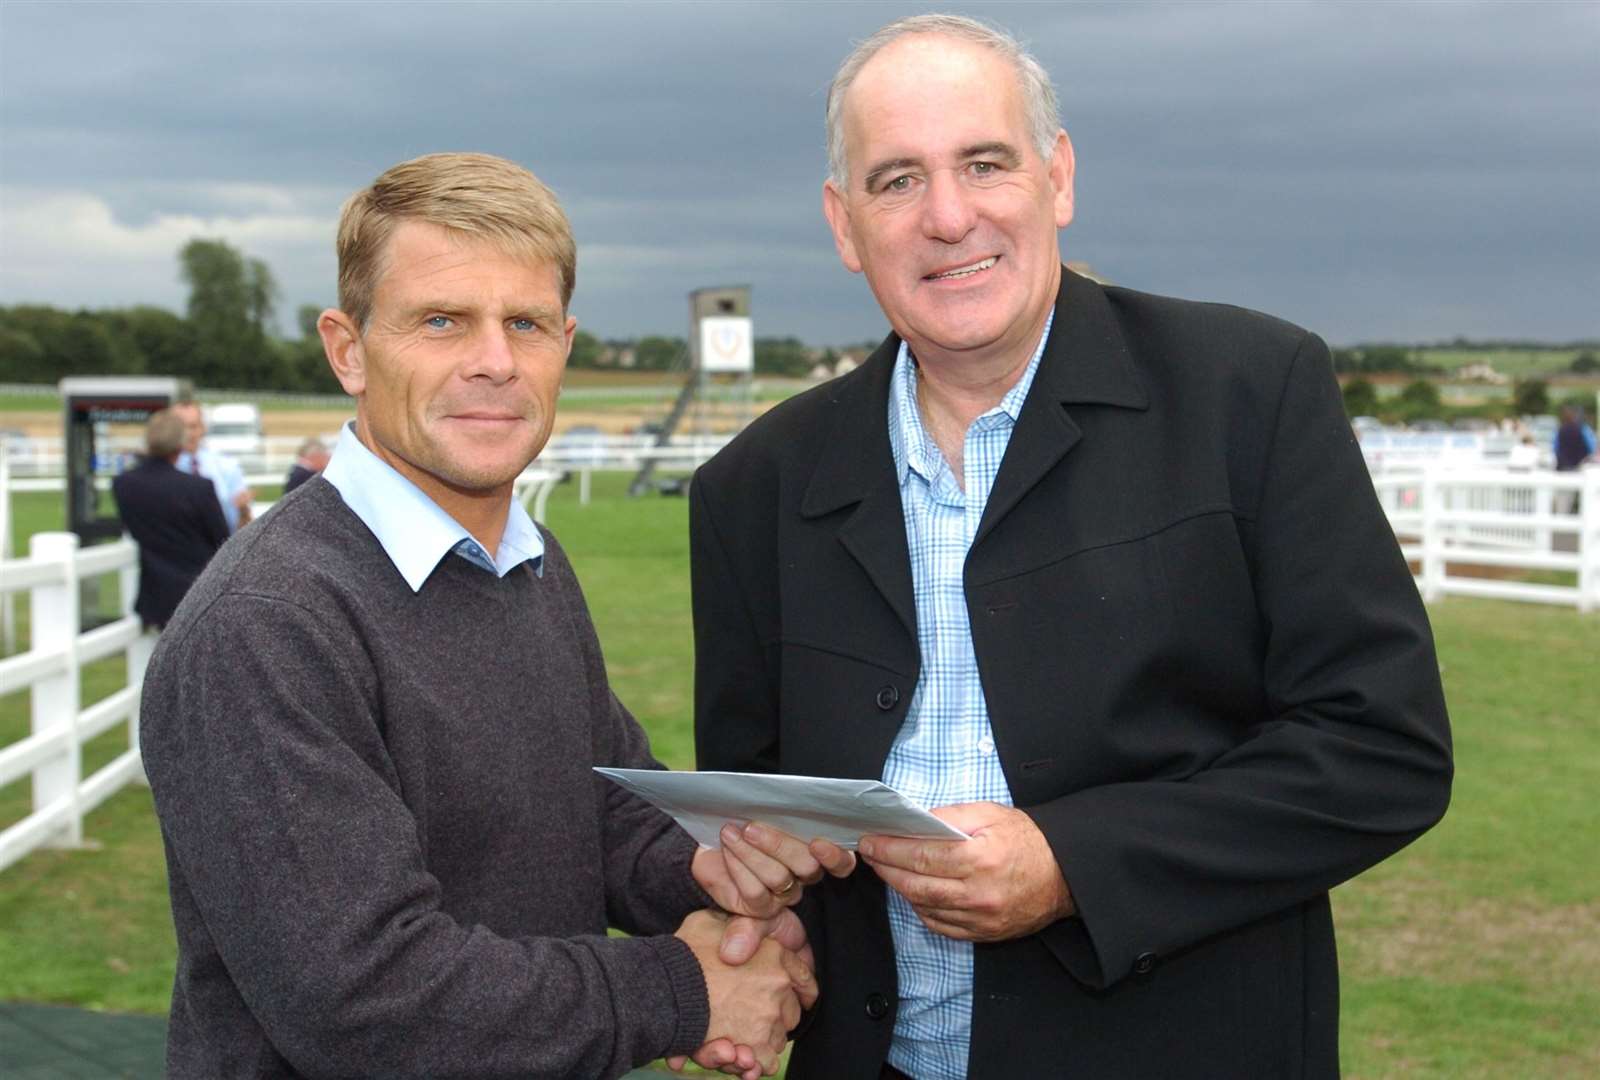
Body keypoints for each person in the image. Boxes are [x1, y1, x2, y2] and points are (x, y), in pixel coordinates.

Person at [690, 15, 1453, 1079]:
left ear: (1057, 177)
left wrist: (1073, 867)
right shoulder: (753, 486)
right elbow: (762, 804)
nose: (948, 216)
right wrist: (762, 875)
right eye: (897, 180)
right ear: (843, 223)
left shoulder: (1246, 392)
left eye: (984, 163)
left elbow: (1382, 753)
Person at [139, 152, 844, 1080]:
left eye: (527, 323)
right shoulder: (268, 622)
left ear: (566, 340)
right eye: (442, 321)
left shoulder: (528, 560)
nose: (495, 362)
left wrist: (708, 871)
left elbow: (606, 806)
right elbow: (365, 1000)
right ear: (347, 350)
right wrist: (686, 990)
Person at [110, 408, 230, 630]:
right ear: (180, 443)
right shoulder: (198, 488)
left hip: (155, 597)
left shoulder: (123, 484)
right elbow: (222, 541)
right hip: (199, 595)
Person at [173, 400, 255, 532]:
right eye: (181, 427)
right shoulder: (163, 469)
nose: (188, 433)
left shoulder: (227, 466)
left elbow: (243, 528)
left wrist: (243, 510)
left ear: (203, 428)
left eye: (193, 426)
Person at [1553, 404, 1596, 471]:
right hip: (1579, 465)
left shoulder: (1560, 430)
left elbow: (1555, 448)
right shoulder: (1582, 429)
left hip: (1563, 466)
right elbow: (1591, 447)